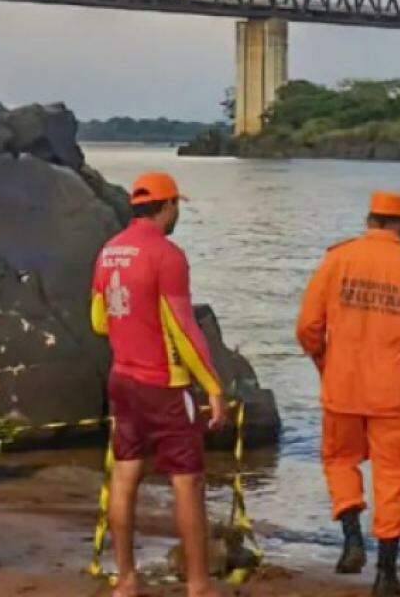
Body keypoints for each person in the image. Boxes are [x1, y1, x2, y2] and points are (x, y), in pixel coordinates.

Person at [296, 191, 400, 596]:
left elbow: (307, 327)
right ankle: (385, 574)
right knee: (393, 476)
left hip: (341, 386)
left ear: (369, 219)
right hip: (391, 393)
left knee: (339, 460)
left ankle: (351, 539)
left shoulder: (337, 259)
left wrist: (326, 363)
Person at [90, 172, 226, 597]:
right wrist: (214, 387)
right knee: (187, 480)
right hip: (164, 383)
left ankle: (127, 578)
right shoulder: (167, 254)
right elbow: (184, 328)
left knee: (126, 474)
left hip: (122, 377)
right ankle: (199, 584)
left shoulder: (109, 251)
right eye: (175, 206)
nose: (177, 213)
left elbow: (98, 320)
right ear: (167, 207)